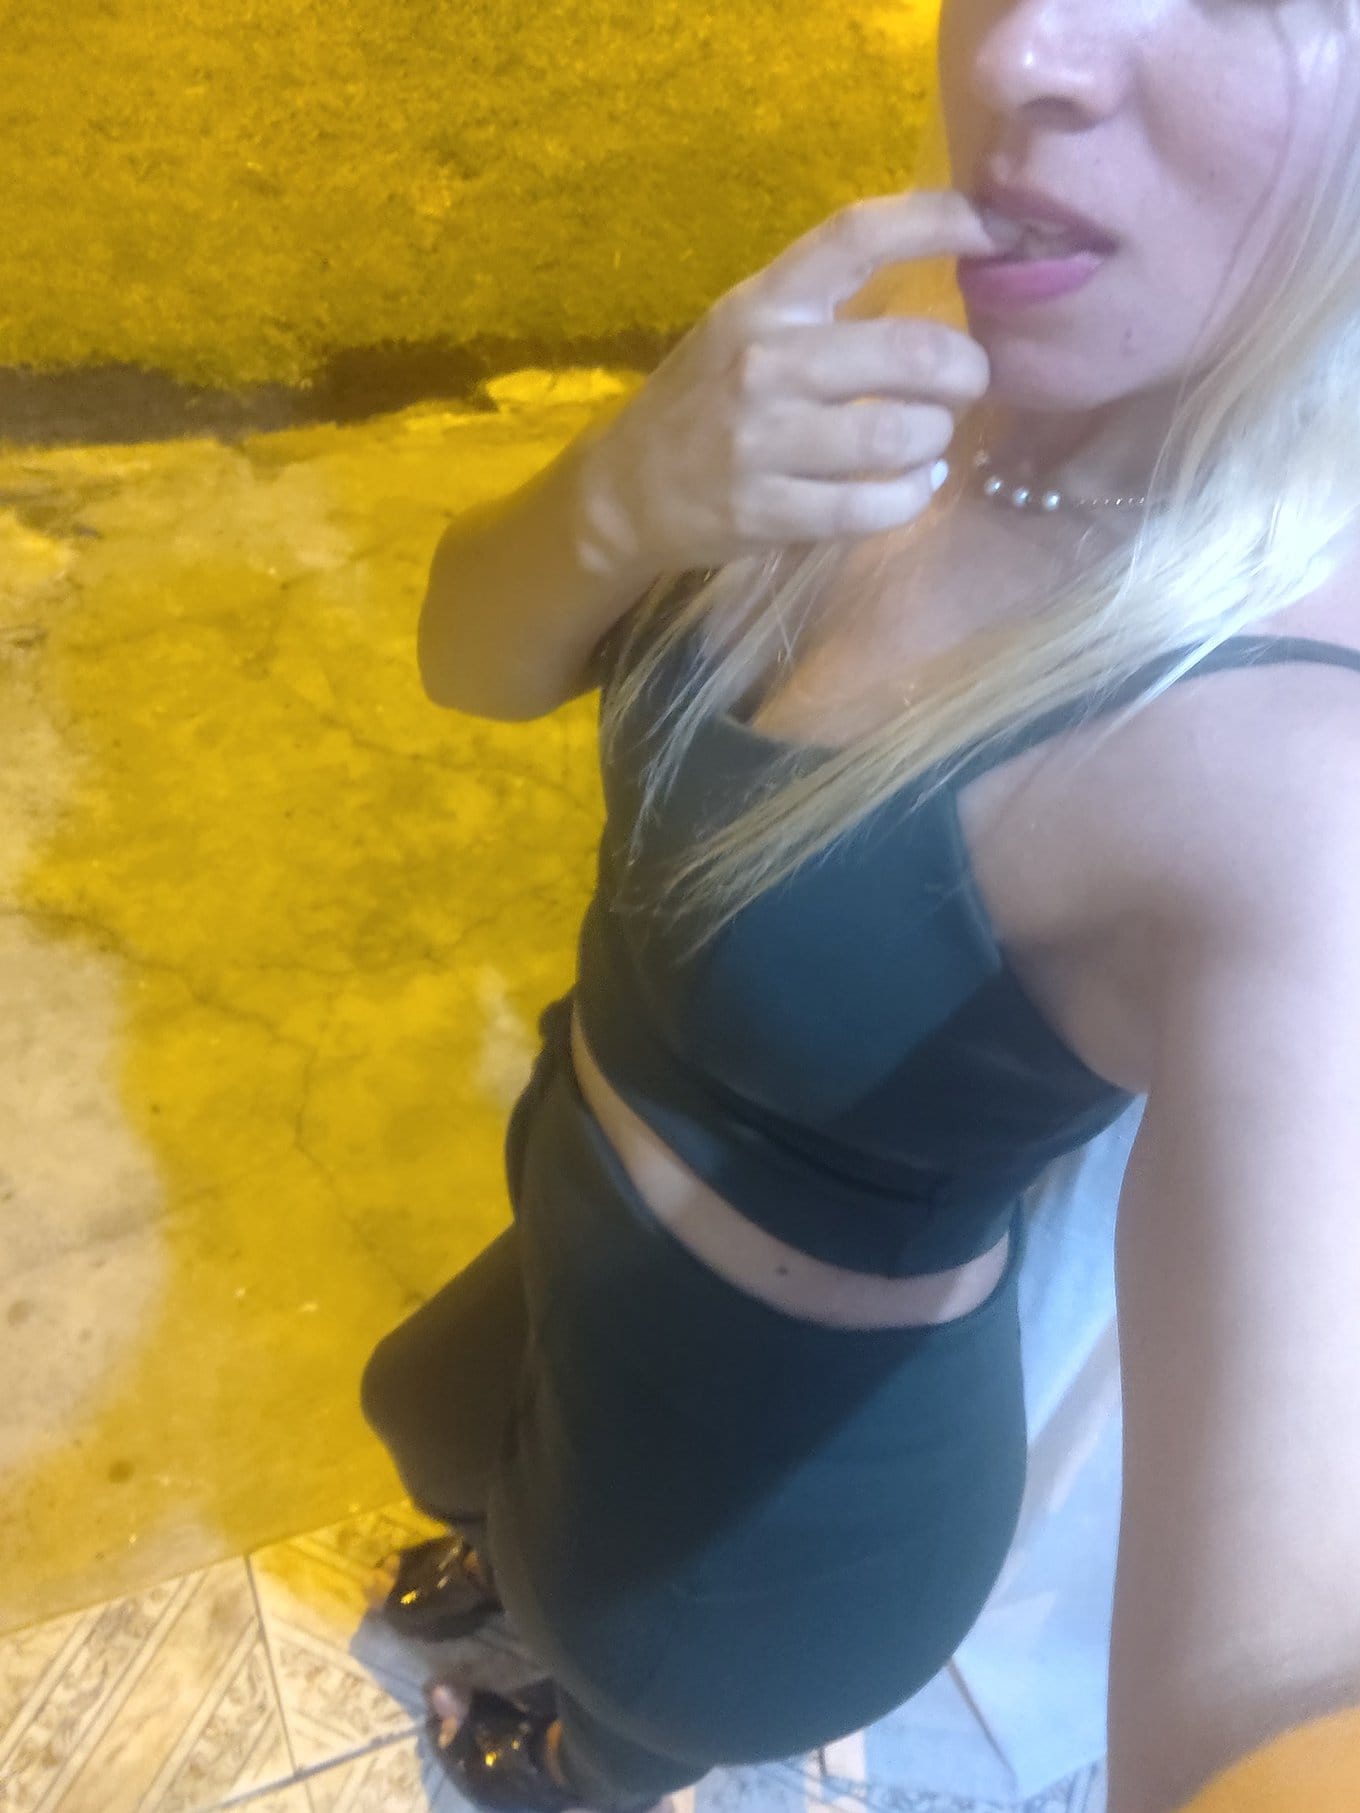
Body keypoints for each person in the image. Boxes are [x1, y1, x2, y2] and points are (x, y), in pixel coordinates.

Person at [360, 4, 1360, 1810]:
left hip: (759, 1532)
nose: (1024, 52)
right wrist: (623, 492)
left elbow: (1271, 1685)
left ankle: (572, 1763)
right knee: (421, 1415)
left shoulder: (1300, 766)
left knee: (620, 1684)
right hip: (572, 1211)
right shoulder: (899, 342)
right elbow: (466, 659)